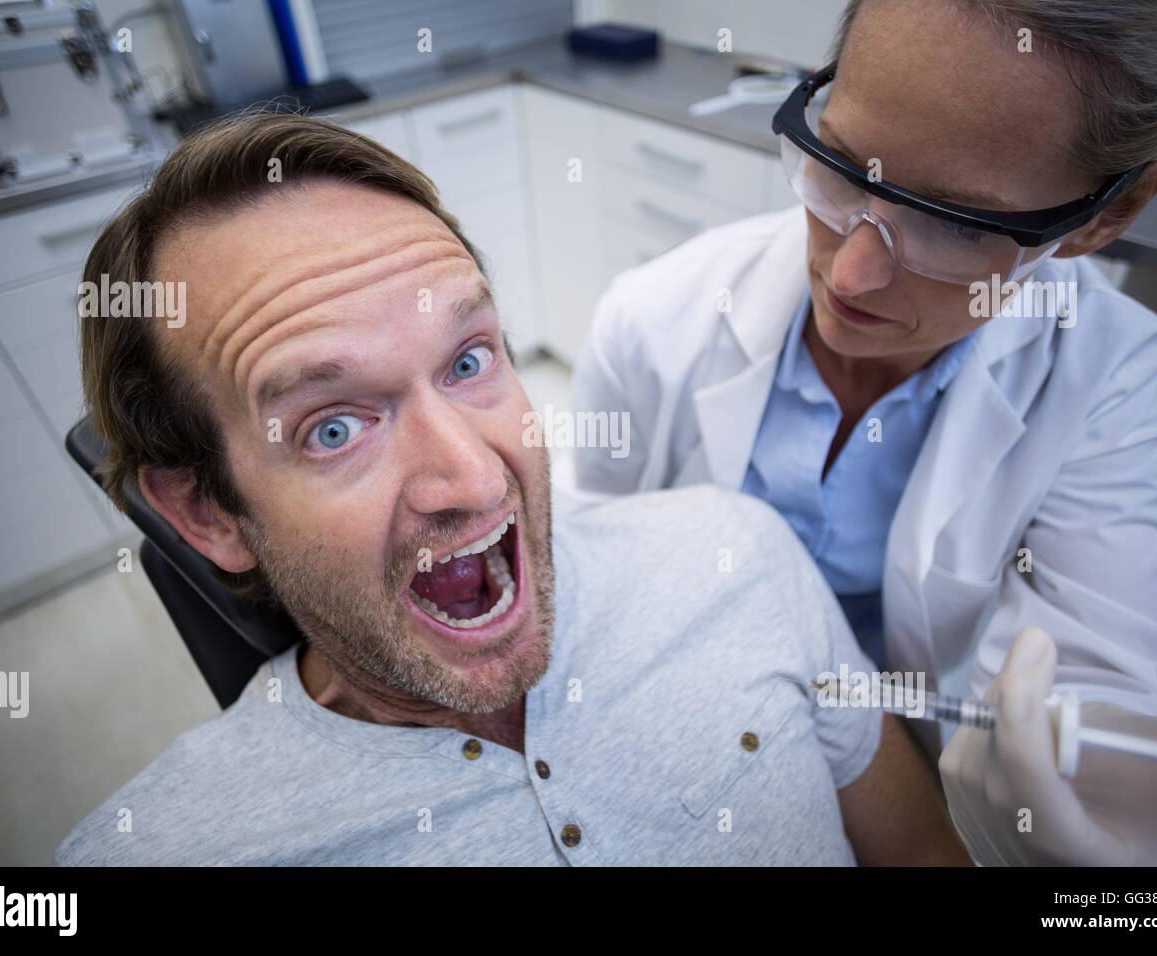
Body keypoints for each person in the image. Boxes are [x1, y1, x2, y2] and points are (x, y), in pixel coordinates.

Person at [53, 114, 968, 866]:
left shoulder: (744, 555)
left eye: (468, 360)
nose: (476, 476)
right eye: (334, 427)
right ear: (205, 513)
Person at [564, 0, 1157, 864]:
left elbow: (1109, 669)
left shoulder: (1104, 380)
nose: (852, 272)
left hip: (914, 758)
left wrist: (1133, 799)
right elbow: (593, 565)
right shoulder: (656, 315)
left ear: (1112, 212)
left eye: (955, 222)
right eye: (839, 165)